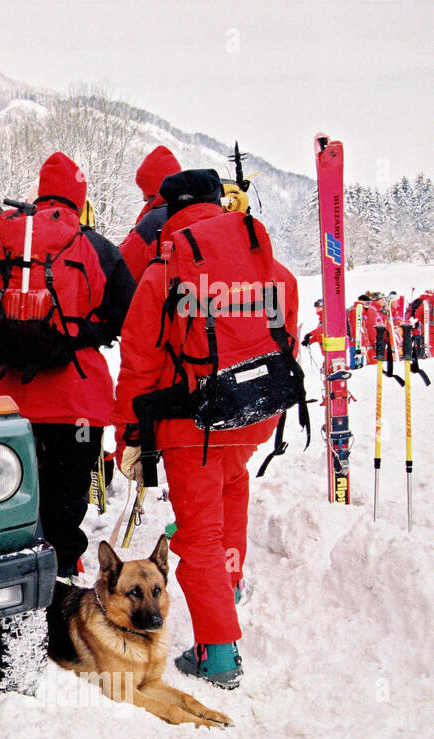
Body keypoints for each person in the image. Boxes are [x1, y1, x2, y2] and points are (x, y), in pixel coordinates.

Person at [114, 169, 300, 689]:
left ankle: (218, 654)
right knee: (232, 490)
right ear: (220, 204)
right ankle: (230, 581)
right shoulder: (264, 259)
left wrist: (129, 434)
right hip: (253, 413)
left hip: (190, 423)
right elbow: (288, 329)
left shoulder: (165, 269)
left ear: (168, 213)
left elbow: (139, 360)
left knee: (196, 536)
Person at [0, 152, 136, 589]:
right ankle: (64, 580)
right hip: (76, 400)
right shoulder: (95, 247)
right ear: (80, 196)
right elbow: (128, 311)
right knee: (67, 499)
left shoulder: (3, 242)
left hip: (5, 400)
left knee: (8, 495)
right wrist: (85, 332)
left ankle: (9, 587)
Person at [118, 146, 183, 282]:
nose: (143, 198)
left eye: (146, 190)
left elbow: (121, 271)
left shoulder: (154, 221)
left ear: (156, 189)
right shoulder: (189, 211)